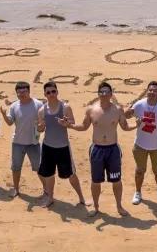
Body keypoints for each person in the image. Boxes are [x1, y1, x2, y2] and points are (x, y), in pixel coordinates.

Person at [60, 81, 130, 216]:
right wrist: (70, 126)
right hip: (97, 149)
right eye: (101, 92)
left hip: (113, 149)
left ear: (111, 94)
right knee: (96, 181)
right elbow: (84, 126)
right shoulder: (91, 110)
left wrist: (137, 125)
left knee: (116, 180)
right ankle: (96, 207)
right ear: (98, 94)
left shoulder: (118, 110)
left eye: (106, 92)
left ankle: (119, 206)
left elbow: (125, 127)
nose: (104, 94)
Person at [36, 81, 87, 209]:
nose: (51, 94)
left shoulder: (65, 107)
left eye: (53, 91)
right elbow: (40, 129)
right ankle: (50, 198)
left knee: (71, 174)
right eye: (48, 92)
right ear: (45, 94)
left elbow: (73, 122)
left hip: (63, 146)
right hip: (48, 146)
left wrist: (66, 123)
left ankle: (81, 197)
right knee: (48, 174)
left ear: (57, 92)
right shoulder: (42, 110)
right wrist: (41, 127)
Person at [125, 80, 157, 205]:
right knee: (140, 170)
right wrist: (128, 111)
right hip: (140, 145)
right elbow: (127, 116)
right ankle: (138, 192)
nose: (152, 92)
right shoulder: (139, 104)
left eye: (155, 90)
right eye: (150, 90)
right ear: (147, 91)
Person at [0, 81, 43, 197]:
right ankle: (16, 189)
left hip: (33, 142)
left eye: (24, 91)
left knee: (39, 167)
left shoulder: (38, 105)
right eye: (19, 92)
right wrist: (4, 115)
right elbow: (10, 122)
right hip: (18, 142)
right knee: (16, 167)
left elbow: (42, 123)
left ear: (29, 91)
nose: (22, 94)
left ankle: (46, 190)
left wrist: (41, 127)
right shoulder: (14, 106)